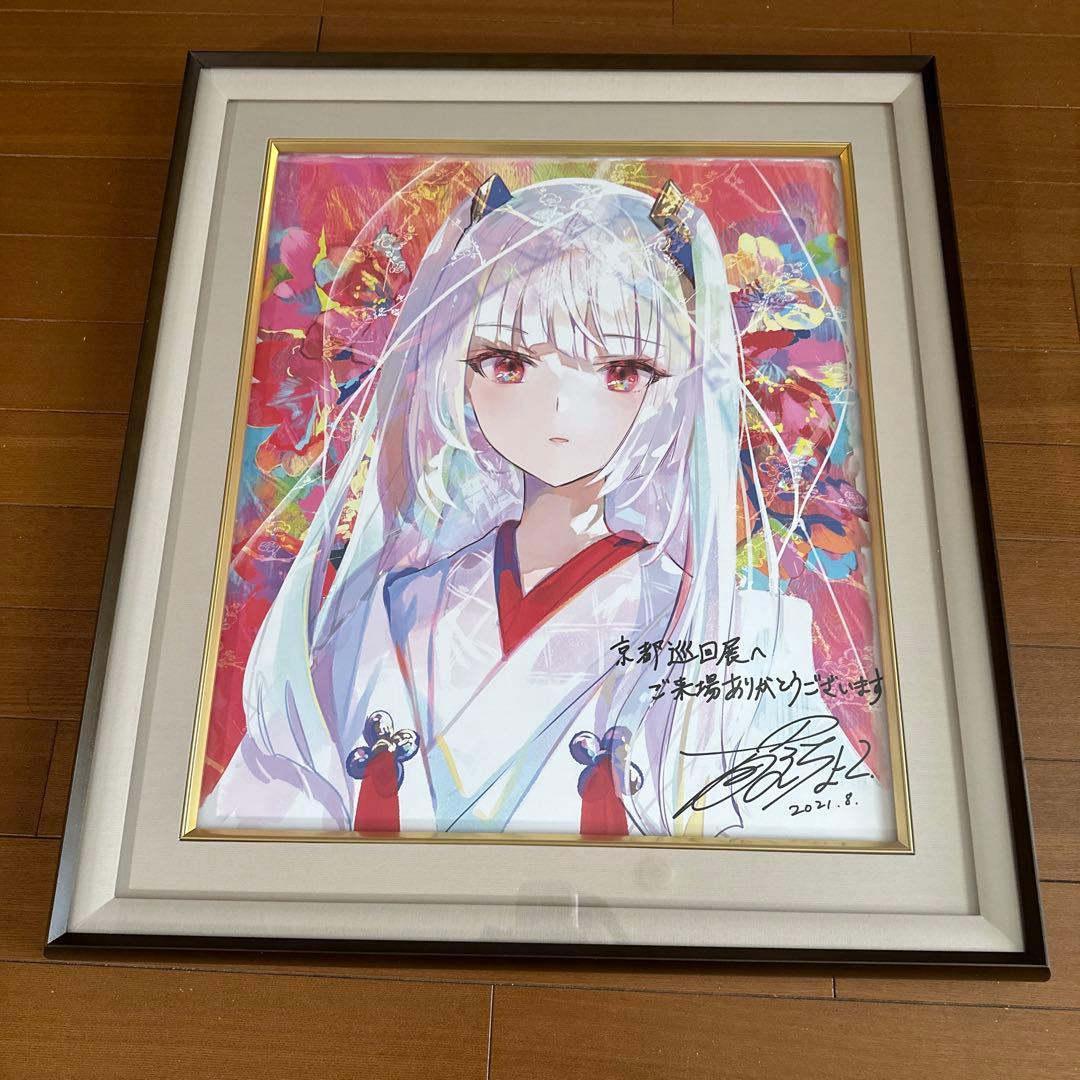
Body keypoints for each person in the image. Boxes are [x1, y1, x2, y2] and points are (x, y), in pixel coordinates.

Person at [199, 172, 893, 842]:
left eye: (621, 371)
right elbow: (255, 834)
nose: (560, 406)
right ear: (454, 370)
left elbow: (833, 850)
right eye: (508, 363)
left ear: (676, 389)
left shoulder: (738, 639)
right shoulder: (381, 617)